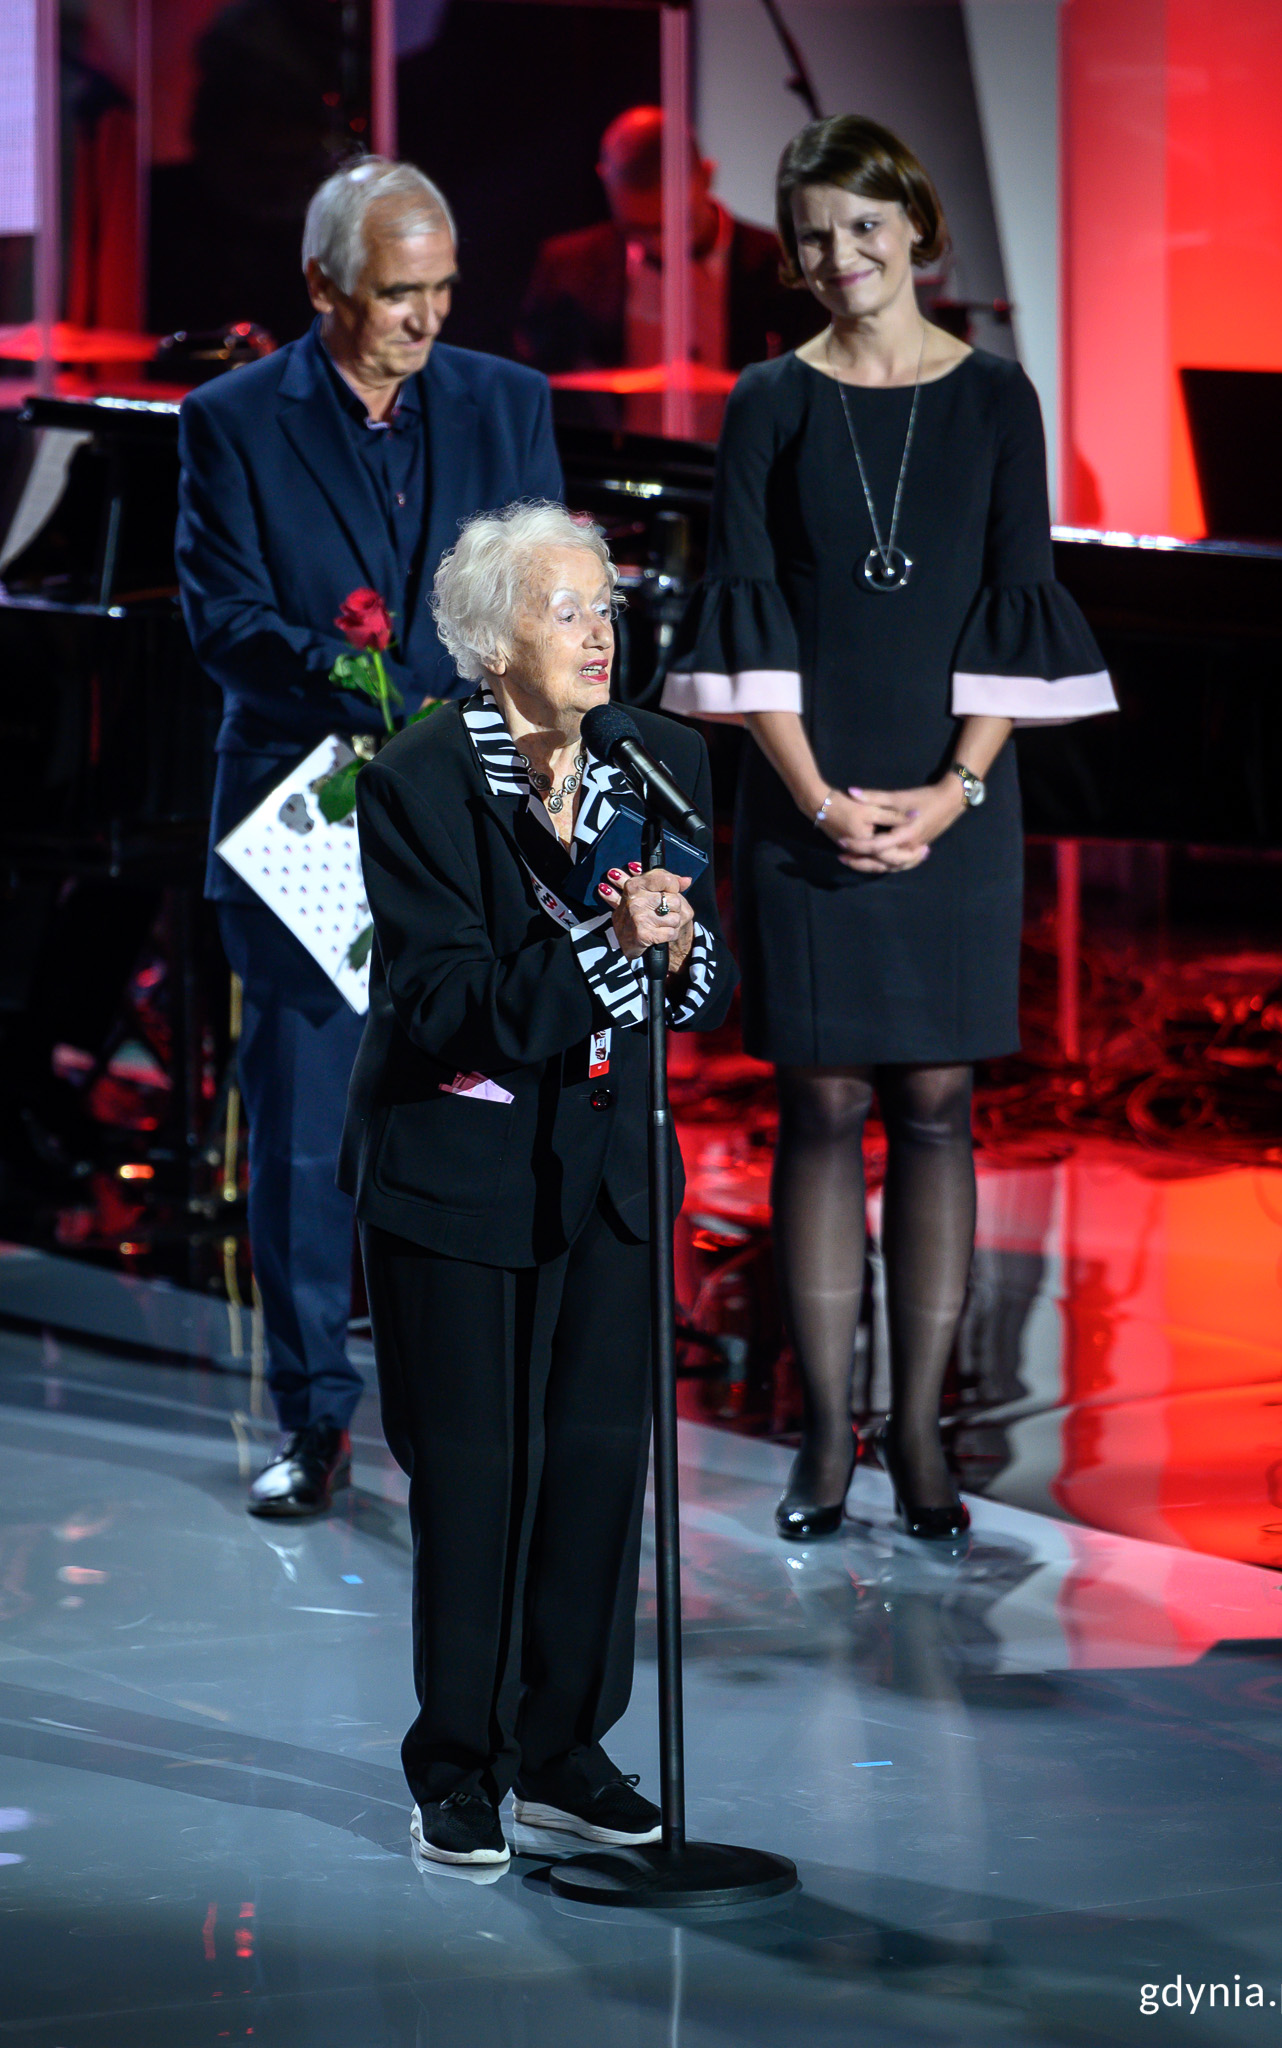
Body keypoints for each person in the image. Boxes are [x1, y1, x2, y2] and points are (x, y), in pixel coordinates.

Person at [662, 116, 1117, 1542]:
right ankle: (817, 1438)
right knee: (819, 1103)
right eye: (810, 236)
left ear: (913, 228)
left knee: (933, 1105)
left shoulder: (994, 399)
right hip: (805, 797)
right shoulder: (765, 401)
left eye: (861, 225)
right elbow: (745, 608)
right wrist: (815, 799)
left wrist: (952, 789)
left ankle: (917, 1436)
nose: (836, 255)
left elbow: (1013, 602)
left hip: (952, 800)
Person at [340, 501, 734, 1864]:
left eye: (605, 609)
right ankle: (459, 1765)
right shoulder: (417, 782)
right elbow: (445, 1001)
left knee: (588, 1473)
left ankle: (565, 1750)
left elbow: (699, 965)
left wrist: (677, 955)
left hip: (609, 1169)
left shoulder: (659, 762)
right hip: (459, 1184)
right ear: (490, 641)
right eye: (566, 611)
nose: (597, 633)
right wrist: (593, 955)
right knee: (471, 1478)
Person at [176, 157, 562, 1518]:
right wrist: (354, 684)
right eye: (399, 294)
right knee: (299, 1138)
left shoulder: (508, 404)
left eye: (444, 288)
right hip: (300, 819)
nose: (426, 317)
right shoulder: (229, 420)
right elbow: (220, 619)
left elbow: (545, 601)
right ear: (322, 288)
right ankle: (311, 1418)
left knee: (470, 1122)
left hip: (472, 829)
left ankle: (456, 1416)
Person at [516, 105, 821, 435]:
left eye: (679, 224)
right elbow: (530, 387)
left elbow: (815, 396)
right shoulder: (566, 266)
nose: (661, 245)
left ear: (707, 175)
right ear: (605, 179)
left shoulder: (784, 265)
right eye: (637, 228)